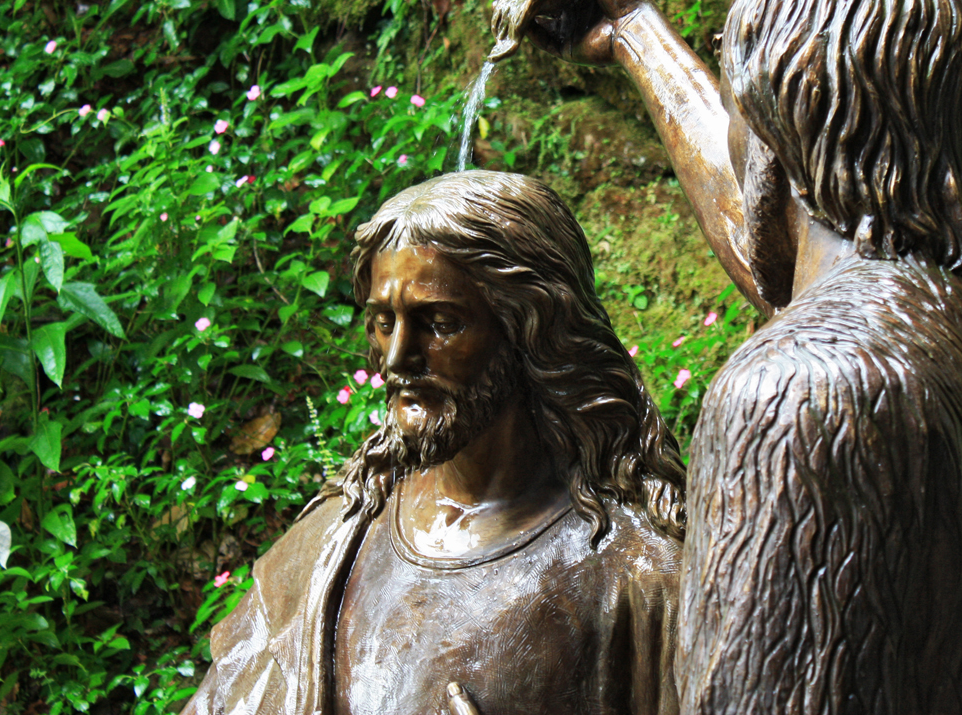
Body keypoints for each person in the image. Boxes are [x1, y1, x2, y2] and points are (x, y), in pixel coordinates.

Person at [518, 0, 962, 714]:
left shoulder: (789, 392)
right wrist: (633, 32)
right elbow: (781, 237)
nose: (734, 139)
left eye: (741, 111)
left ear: (779, 128)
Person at [182, 171, 685, 715]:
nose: (397, 357)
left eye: (439, 323)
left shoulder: (642, 577)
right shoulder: (327, 547)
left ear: (531, 328)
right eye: (383, 322)